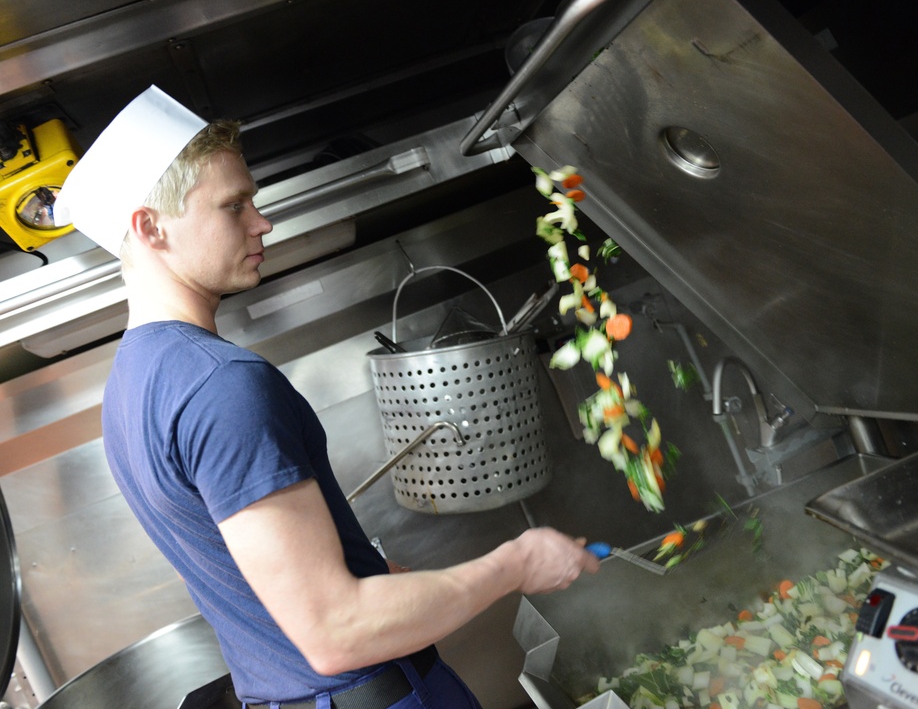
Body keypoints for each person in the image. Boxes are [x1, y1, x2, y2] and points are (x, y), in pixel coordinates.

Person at [54, 86, 600, 709]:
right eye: (234, 206)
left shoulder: (131, 383)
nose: (261, 222)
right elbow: (335, 633)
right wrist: (517, 565)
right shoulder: (221, 383)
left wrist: (366, 575)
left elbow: (257, 580)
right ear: (150, 227)